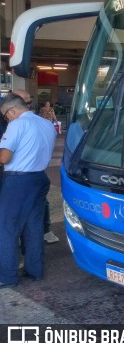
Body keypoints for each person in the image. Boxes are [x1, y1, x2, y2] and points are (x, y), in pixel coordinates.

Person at [0, 94, 57, 288]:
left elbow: (4, 157)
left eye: (6, 116)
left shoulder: (17, 124)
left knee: (6, 228)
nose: (7, 120)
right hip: (39, 178)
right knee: (33, 227)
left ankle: (6, 276)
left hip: (18, 181)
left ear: (12, 110)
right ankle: (35, 270)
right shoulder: (46, 124)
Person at [11, 89, 59, 245]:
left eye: (28, 102)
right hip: (12, 172)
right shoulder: (8, 120)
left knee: (39, 203)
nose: (27, 105)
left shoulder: (34, 121)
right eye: (24, 102)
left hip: (30, 171)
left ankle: (44, 230)